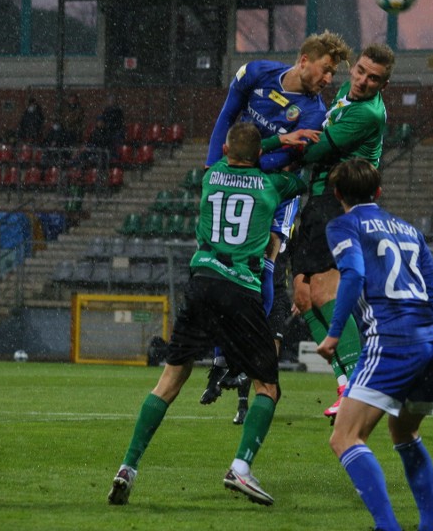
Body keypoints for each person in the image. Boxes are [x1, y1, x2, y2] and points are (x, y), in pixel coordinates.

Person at [107, 123, 307, 507]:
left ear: (228, 147)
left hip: (201, 280)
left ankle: (128, 467)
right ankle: (241, 468)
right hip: (241, 289)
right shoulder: (271, 186)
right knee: (268, 386)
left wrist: (269, 141)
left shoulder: (212, 173)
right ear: (260, 157)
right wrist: (294, 144)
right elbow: (301, 177)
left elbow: (243, 148)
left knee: (169, 380)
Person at [199, 31, 352, 418]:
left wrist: (239, 162)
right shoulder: (256, 73)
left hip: (272, 186)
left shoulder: (316, 113)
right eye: (326, 69)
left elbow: (288, 163)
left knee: (263, 263)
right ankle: (222, 358)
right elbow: (227, 113)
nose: (329, 79)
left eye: (333, 74)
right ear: (304, 60)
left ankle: (252, 348)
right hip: (239, 170)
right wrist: (212, 160)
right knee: (223, 264)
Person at [317, 158, 433, 531]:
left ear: (338, 194)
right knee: (404, 432)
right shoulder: (408, 229)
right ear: (378, 191)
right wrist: (423, 330)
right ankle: (431, 525)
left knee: (344, 437)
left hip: (391, 339)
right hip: (431, 341)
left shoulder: (343, 224)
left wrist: (335, 331)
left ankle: (388, 527)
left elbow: (355, 273)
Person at [291, 43, 396, 420]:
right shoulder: (343, 94)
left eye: (374, 79)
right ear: (354, 68)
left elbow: (311, 153)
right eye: (361, 72)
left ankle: (359, 383)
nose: (364, 81)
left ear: (384, 85)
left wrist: (272, 138)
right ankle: (343, 383)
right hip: (320, 202)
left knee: (322, 291)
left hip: (340, 204)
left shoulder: (367, 114)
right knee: (303, 296)